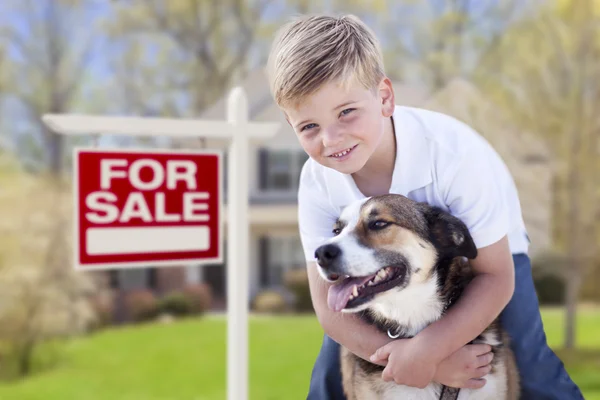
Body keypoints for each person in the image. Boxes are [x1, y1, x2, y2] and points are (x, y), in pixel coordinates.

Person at [266, 13, 584, 400]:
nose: (331, 140)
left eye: (346, 112)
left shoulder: (454, 155)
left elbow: (495, 277)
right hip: (370, 266)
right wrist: (420, 362)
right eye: (309, 127)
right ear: (290, 123)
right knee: (329, 377)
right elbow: (329, 307)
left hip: (489, 252)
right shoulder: (317, 180)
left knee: (532, 368)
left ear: (384, 97)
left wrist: (429, 349)